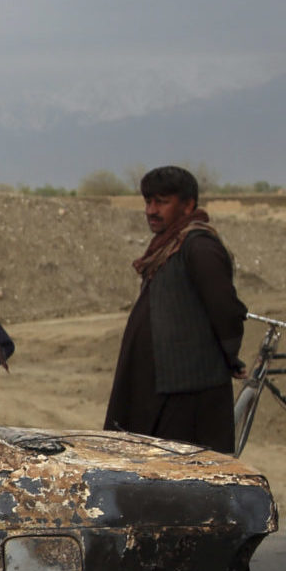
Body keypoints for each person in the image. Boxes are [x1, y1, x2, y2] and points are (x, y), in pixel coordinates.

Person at [105, 166, 248, 452]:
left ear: (188, 205)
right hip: (158, 386)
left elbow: (225, 309)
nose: (151, 210)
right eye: (148, 202)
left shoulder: (199, 247)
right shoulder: (168, 246)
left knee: (184, 475)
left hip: (187, 391)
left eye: (162, 202)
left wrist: (230, 356)